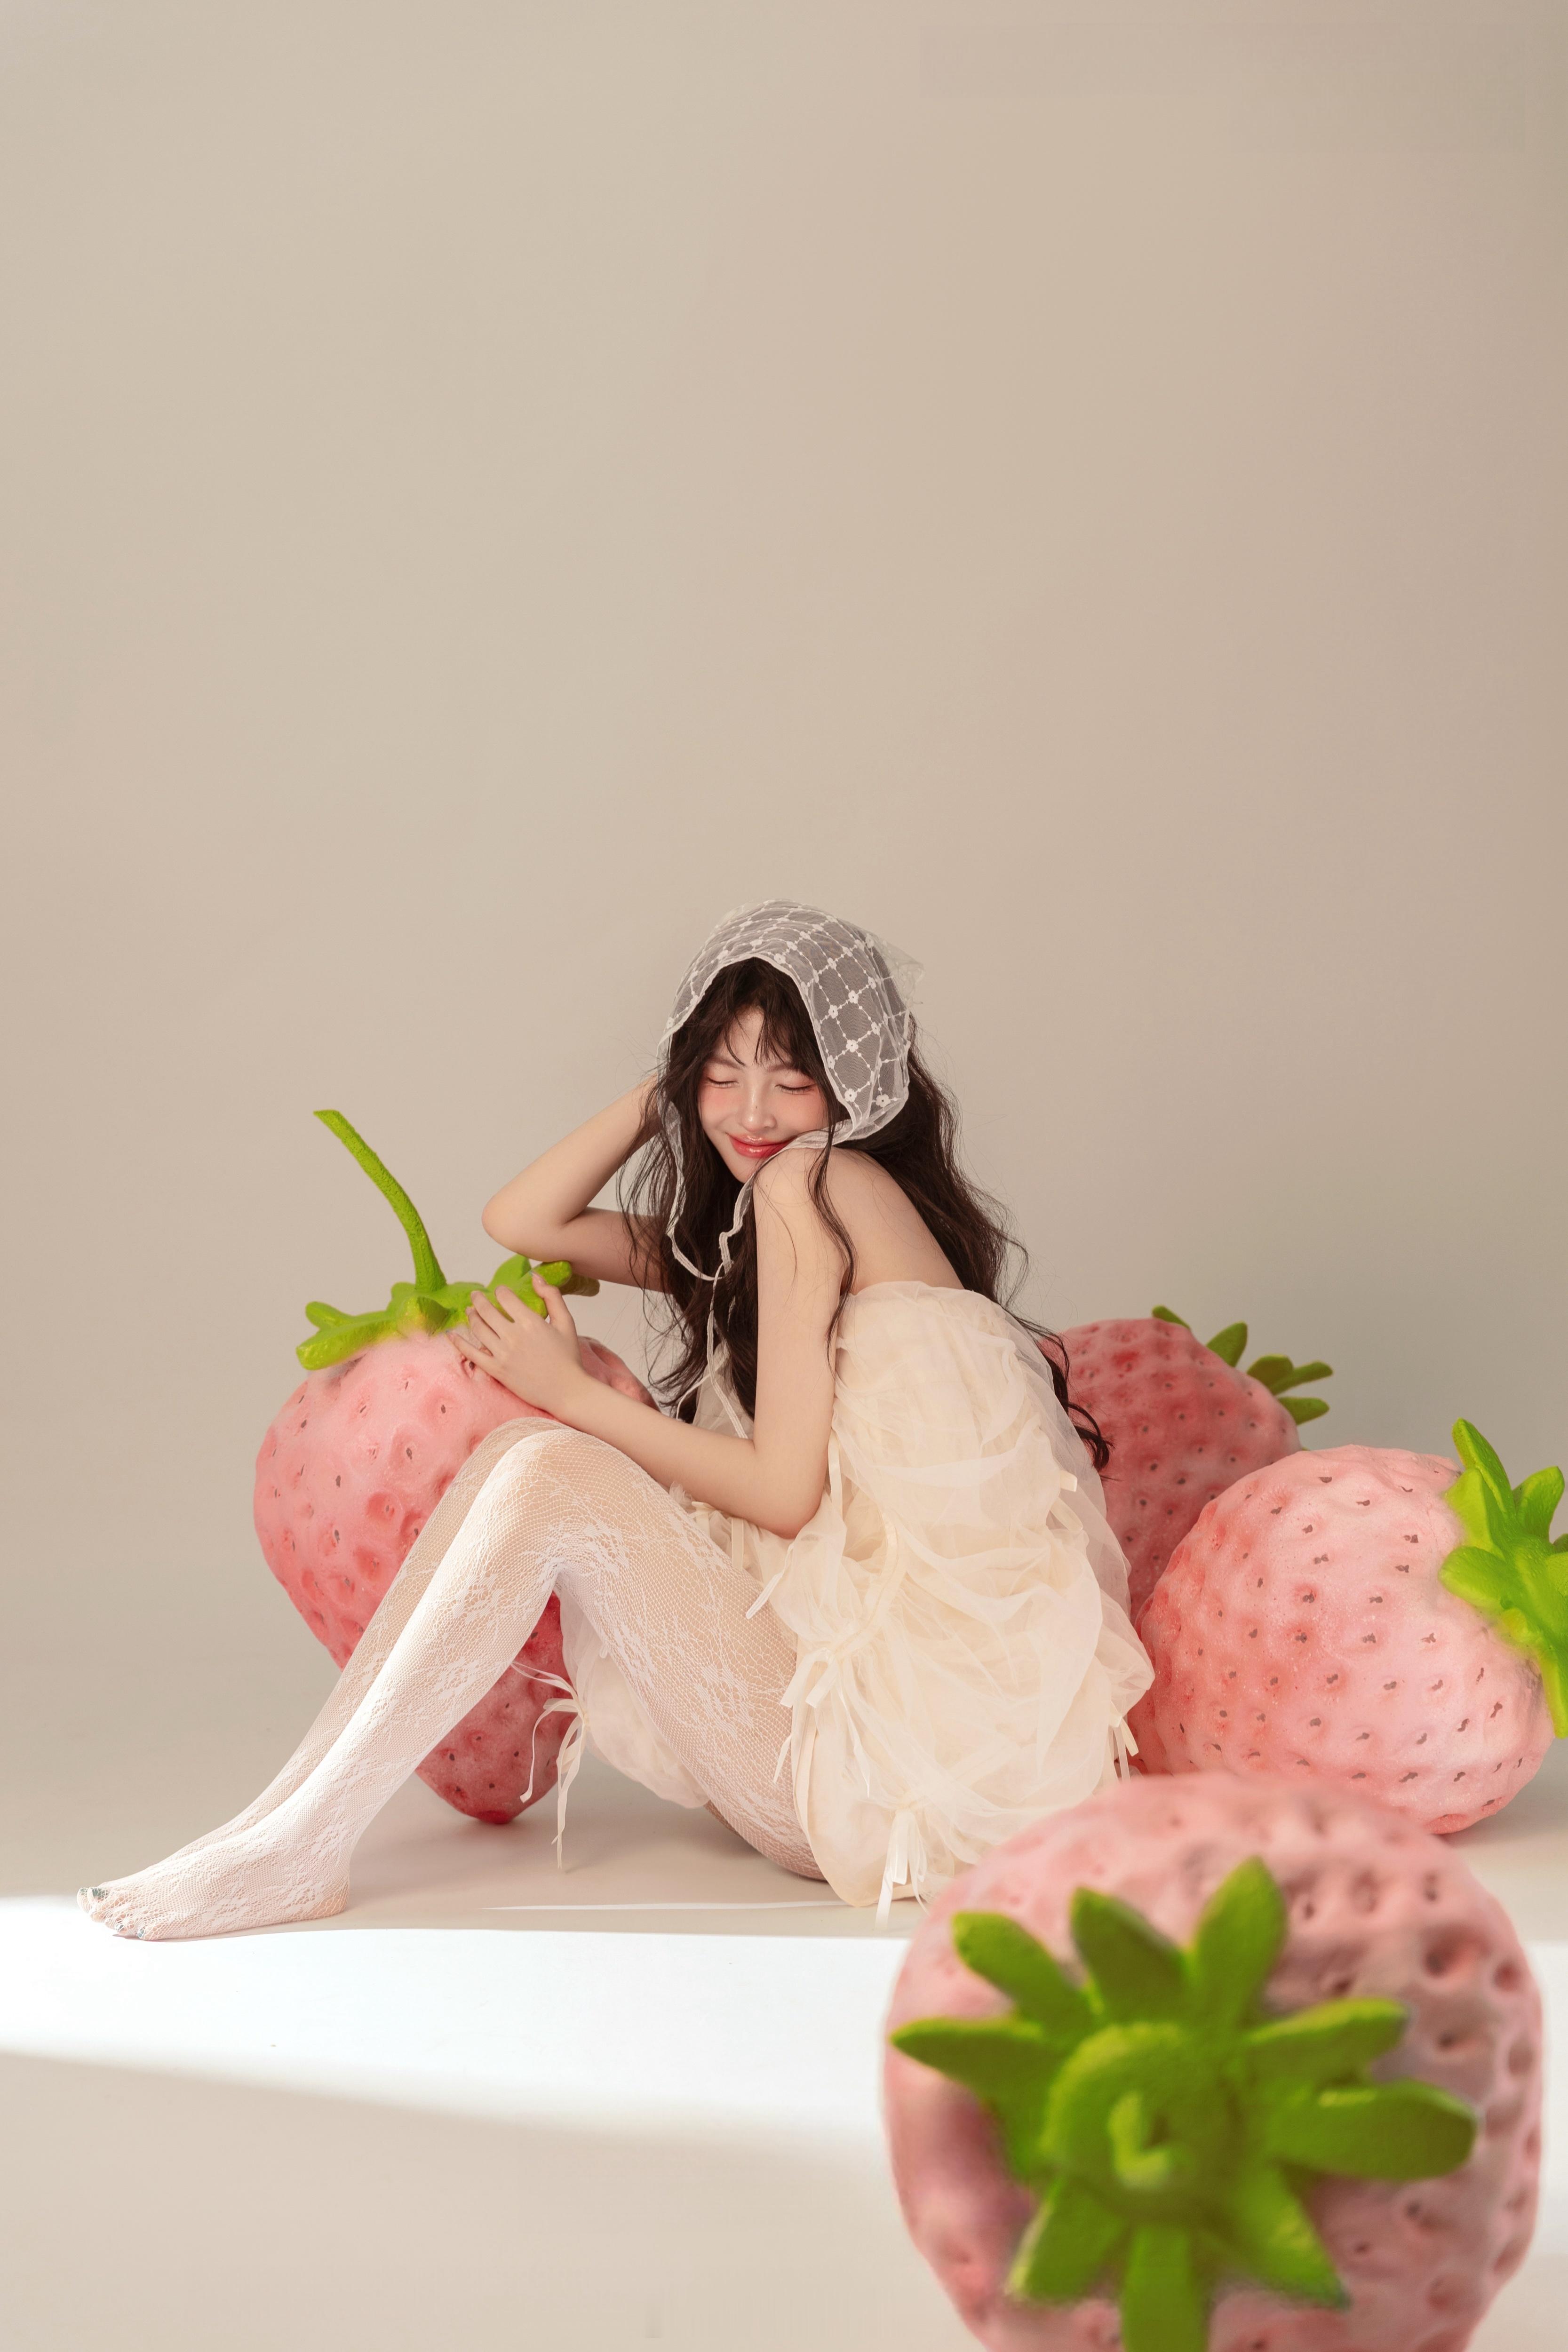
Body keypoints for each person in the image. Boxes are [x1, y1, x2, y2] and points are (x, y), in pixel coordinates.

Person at [80, 901, 1151, 1939]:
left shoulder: (811, 1185)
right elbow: (523, 1220)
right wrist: (675, 1084)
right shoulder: (785, 1217)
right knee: (534, 1456)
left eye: (792, 1078)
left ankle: (299, 1843)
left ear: (855, 1084)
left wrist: (575, 1395)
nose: (753, 1112)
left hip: (874, 1784)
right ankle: (280, 1831)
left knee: (548, 1462)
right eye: (723, 1072)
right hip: (837, 1750)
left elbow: (784, 1495)